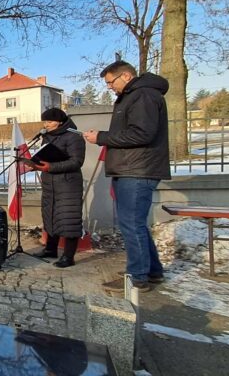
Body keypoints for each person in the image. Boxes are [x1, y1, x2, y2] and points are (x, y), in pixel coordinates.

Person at [83, 60, 170, 292]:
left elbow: (142, 134)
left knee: (132, 225)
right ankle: (152, 271)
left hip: (138, 169)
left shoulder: (143, 96)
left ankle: (137, 278)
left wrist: (101, 137)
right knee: (135, 224)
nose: (109, 86)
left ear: (126, 76)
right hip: (131, 168)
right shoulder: (134, 96)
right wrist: (104, 136)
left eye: (111, 82)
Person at [28, 108, 86, 268]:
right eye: (44, 122)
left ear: (60, 122)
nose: (46, 125)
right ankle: (50, 249)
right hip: (50, 183)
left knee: (69, 219)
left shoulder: (74, 136)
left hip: (68, 184)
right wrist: (35, 165)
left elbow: (76, 162)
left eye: (49, 122)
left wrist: (51, 167)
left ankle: (68, 256)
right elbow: (46, 156)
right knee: (50, 216)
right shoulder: (47, 137)